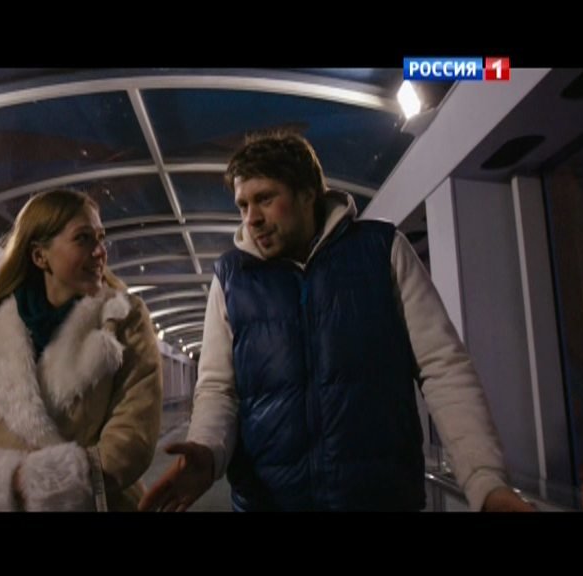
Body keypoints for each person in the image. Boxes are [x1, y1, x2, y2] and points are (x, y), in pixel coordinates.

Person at [139, 132, 533, 512]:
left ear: (308, 194)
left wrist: (485, 481)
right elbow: (218, 390)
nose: (251, 219)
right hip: (268, 503)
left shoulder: (381, 251)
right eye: (243, 205)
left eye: (265, 199)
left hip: (380, 500)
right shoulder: (231, 278)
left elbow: (443, 368)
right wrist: (207, 452)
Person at [0, 189, 162, 511]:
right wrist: (18, 483)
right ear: (40, 256)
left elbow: (134, 434)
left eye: (101, 238)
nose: (100, 251)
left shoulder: (124, 319)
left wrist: (57, 483)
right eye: (83, 239)